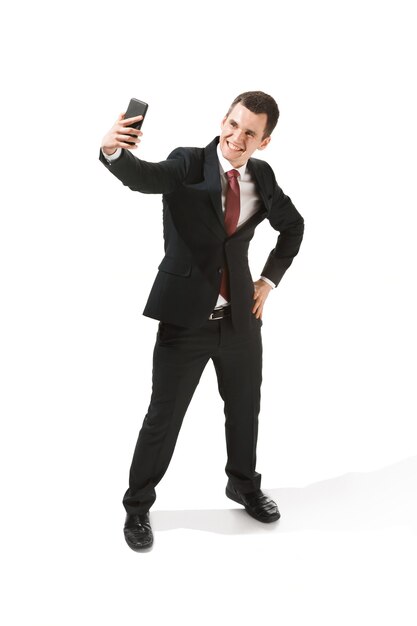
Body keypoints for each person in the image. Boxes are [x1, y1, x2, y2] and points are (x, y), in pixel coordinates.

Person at [100, 91, 304, 551]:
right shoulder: (188, 163)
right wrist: (115, 150)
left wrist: (268, 281)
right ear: (223, 120)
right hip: (184, 320)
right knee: (164, 417)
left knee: (244, 410)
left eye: (249, 132)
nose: (236, 136)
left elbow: (293, 226)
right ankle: (137, 506)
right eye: (233, 124)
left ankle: (244, 486)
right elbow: (145, 177)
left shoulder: (262, 175)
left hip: (239, 322)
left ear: (264, 141)